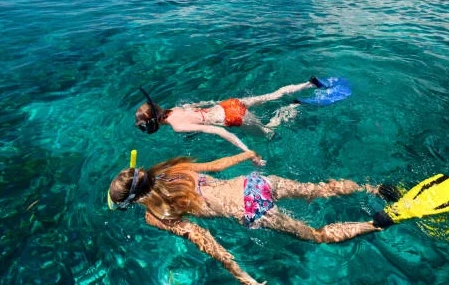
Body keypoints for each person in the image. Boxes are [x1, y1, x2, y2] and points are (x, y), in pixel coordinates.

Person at [107, 150, 398, 285]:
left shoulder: (155, 215)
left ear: (133, 201)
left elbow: (201, 237)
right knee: (318, 190)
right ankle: (372, 188)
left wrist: (242, 276)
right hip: (254, 183)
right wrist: (246, 155)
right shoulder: (176, 170)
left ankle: (376, 223)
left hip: (252, 209)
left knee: (319, 236)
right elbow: (217, 165)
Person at [134, 77, 326, 162]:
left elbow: (218, 130)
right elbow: (202, 105)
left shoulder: (177, 126)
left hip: (233, 117)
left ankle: (294, 106)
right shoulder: (173, 109)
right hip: (228, 104)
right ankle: (309, 83)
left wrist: (247, 151)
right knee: (271, 96)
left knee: (269, 133)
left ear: (154, 123)